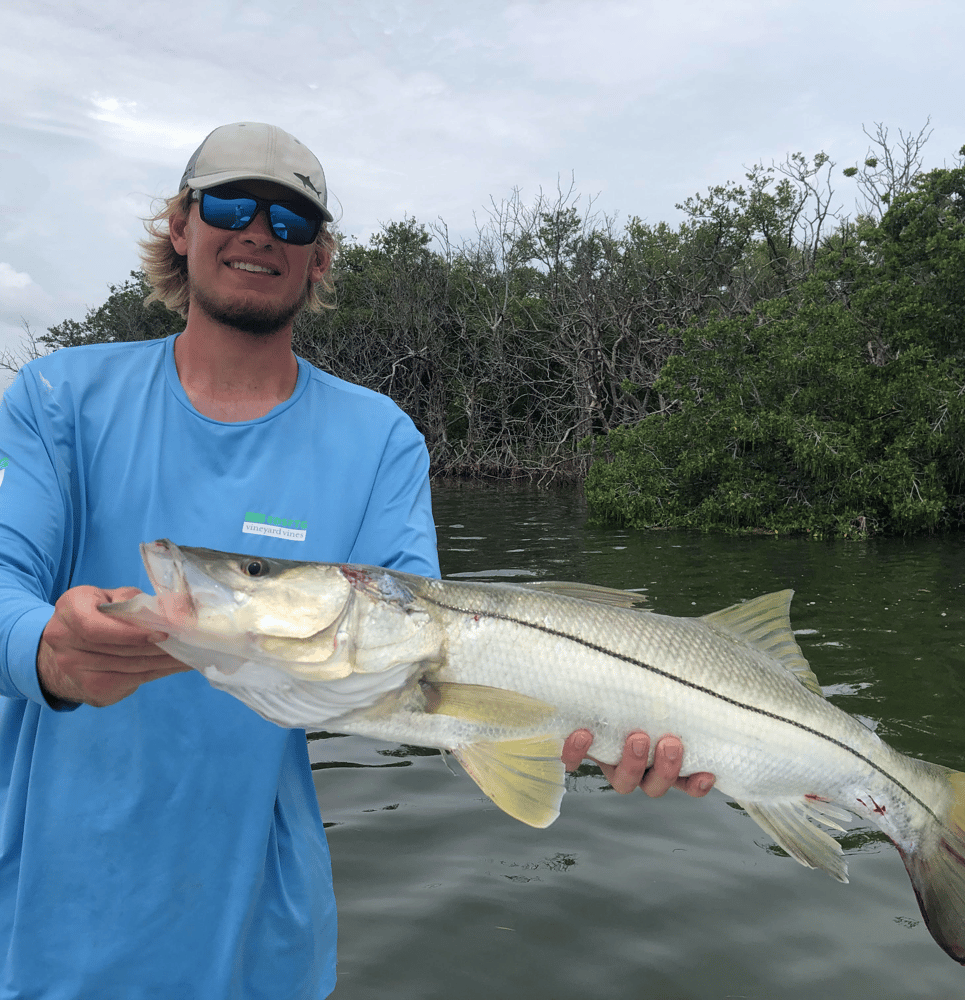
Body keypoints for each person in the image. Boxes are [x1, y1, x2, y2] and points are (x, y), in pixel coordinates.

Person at [0, 122, 714, 999]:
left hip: (263, 935)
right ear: (181, 226)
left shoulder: (379, 438)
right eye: (229, 203)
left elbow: (420, 660)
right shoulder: (54, 396)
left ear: (320, 257)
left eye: (292, 220)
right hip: (43, 916)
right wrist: (46, 652)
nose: (258, 231)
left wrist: (580, 718)